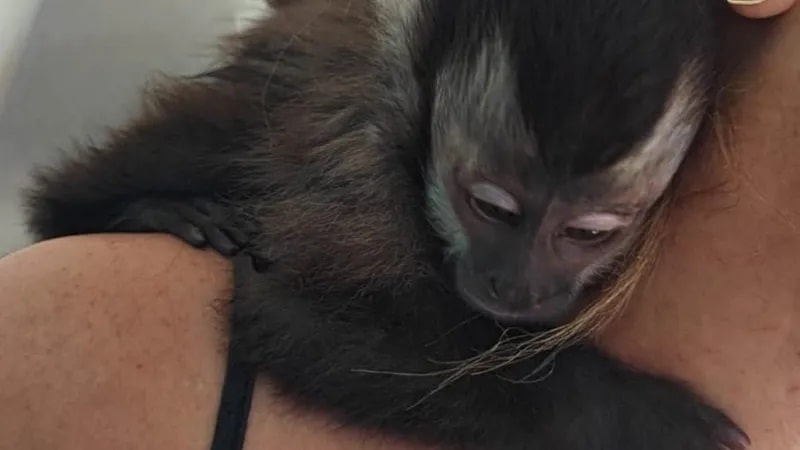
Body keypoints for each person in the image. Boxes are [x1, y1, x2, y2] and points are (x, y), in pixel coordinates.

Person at [1, 1, 798, 448]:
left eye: (589, 233)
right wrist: (585, 409)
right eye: (490, 209)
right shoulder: (91, 345)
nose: (520, 286)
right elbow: (301, 323)